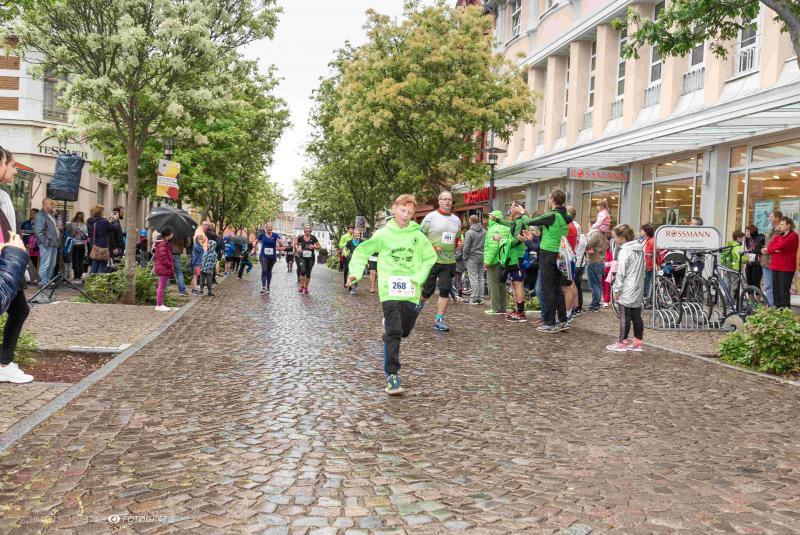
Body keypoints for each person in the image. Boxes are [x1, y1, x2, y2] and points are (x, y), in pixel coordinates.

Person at [347, 194, 437, 395]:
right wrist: (355, 273)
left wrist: (419, 277)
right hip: (389, 289)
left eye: (410, 212)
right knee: (395, 331)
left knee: (405, 330)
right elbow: (362, 251)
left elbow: (430, 257)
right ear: (394, 209)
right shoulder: (383, 234)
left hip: (411, 289)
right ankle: (392, 376)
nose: (406, 215)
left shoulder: (418, 235)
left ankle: (389, 327)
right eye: (403, 210)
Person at [493, 191, 573, 332]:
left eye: (549, 198)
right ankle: (562, 321)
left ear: (553, 200)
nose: (548, 200)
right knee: (556, 289)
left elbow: (529, 221)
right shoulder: (565, 216)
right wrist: (530, 239)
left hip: (548, 254)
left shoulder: (553, 215)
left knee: (548, 289)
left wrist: (523, 212)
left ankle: (549, 323)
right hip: (558, 254)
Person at [0, 147, 33, 383]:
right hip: (6, 265)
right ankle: (4, 363)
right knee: (19, 310)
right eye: (10, 165)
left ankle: (5, 362)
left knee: (20, 309)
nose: (14, 170)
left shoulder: (3, 196)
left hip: (8, 265)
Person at [418, 191, 461, 331]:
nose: (447, 201)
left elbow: (457, 238)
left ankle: (439, 319)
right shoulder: (430, 217)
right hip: (432, 260)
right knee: (428, 291)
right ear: (439, 201)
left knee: (445, 290)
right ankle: (417, 307)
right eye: (445, 199)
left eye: (450, 199)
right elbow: (419, 236)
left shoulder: (457, 220)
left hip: (449, 260)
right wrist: (430, 247)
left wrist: (459, 243)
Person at [606, 224, 645, 352]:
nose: (614, 240)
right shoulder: (639, 249)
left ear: (622, 238)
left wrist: (616, 290)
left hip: (627, 287)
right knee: (637, 315)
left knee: (625, 316)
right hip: (638, 286)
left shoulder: (624, 251)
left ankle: (622, 343)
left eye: (615, 237)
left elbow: (621, 272)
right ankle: (637, 343)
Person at [491, 202, 532, 323]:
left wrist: (501, 239)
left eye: (512, 207)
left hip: (517, 257)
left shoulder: (521, 221)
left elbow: (516, 241)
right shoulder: (517, 221)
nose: (510, 209)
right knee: (515, 284)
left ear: (518, 209)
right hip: (514, 257)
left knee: (518, 284)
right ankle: (517, 310)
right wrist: (497, 219)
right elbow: (509, 224)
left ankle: (520, 313)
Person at [763, 216, 798, 309]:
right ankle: (777, 311)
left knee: (783, 291)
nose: (780, 226)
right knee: (776, 291)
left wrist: (775, 249)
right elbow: (770, 247)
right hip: (775, 266)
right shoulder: (779, 236)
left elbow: (782, 246)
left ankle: (785, 312)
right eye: (780, 224)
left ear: (788, 225)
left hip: (786, 267)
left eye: (782, 224)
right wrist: (774, 250)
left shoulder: (793, 236)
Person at [483, 210, 510, 315]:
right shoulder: (506, 227)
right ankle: (503, 307)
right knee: (502, 284)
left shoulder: (492, 229)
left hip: (494, 261)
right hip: (503, 259)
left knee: (493, 284)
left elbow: (493, 247)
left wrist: (487, 261)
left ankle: (495, 308)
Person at [33, 198, 60, 288]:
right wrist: (46, 242)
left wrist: (56, 216)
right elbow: (38, 231)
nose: (53, 205)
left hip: (53, 243)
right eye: (51, 204)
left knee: (52, 264)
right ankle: (42, 282)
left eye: (53, 204)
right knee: (45, 264)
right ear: (45, 205)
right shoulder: (40, 215)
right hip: (47, 244)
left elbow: (56, 227)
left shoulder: (51, 215)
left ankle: (48, 281)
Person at [760, 210, 783, 306]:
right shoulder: (770, 230)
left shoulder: (782, 231)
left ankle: (774, 308)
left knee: (775, 287)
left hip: (775, 262)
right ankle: (771, 307)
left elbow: (781, 247)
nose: (769, 218)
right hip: (766, 261)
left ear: (777, 218)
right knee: (768, 286)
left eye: (771, 216)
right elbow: (768, 244)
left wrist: (768, 250)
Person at [567, 206, 587, 317]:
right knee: (575, 284)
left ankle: (574, 307)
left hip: (574, 259)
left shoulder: (572, 226)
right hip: (576, 259)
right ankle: (576, 307)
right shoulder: (577, 226)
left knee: (572, 285)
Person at [462, 214, 486, 305]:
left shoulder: (470, 232)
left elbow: (466, 247)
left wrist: (465, 257)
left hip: (472, 257)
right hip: (482, 256)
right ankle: (481, 298)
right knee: (481, 278)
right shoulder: (485, 231)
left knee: (473, 277)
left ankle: (474, 298)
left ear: (470, 221)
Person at [153, 227, 175, 312]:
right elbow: (163, 257)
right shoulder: (163, 243)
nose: (172, 235)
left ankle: (160, 304)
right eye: (172, 233)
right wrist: (169, 264)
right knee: (161, 286)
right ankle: (159, 305)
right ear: (168, 234)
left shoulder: (163, 242)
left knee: (161, 286)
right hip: (163, 267)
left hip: (163, 267)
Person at [257, 224, 283, 294]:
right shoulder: (262, 235)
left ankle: (268, 286)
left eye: (271, 227)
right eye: (268, 227)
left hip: (272, 257)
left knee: (269, 271)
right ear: (266, 228)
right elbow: (257, 240)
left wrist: (280, 242)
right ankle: (263, 287)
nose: (270, 229)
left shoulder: (275, 235)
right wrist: (254, 244)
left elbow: (281, 245)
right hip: (263, 255)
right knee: (264, 270)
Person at [87, 205, 112, 274]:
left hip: (93, 245)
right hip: (102, 246)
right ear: (100, 213)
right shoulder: (103, 222)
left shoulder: (90, 221)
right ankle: (98, 280)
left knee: (94, 265)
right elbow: (113, 228)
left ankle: (91, 279)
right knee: (102, 265)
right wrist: (113, 220)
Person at [296, 224, 320, 294]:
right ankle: (301, 286)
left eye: (309, 228)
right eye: (306, 228)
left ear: (310, 230)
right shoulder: (301, 237)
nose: (307, 229)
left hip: (311, 258)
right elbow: (296, 244)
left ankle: (306, 288)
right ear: (304, 230)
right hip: (302, 257)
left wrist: (313, 247)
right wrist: (298, 249)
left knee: (308, 273)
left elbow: (319, 246)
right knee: (303, 271)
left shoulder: (313, 238)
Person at [743, 224, 764, 289]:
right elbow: (750, 249)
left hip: (757, 263)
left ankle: (757, 296)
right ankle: (750, 296)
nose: (746, 233)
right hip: (749, 262)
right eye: (746, 231)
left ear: (752, 231)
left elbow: (760, 250)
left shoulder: (760, 238)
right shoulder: (747, 239)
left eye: (747, 231)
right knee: (749, 281)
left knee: (756, 282)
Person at [344, 229, 364, 295]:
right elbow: (344, 249)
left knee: (358, 273)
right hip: (351, 259)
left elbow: (365, 249)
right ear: (353, 234)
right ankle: (353, 288)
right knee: (351, 272)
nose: (357, 234)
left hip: (359, 259)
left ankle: (355, 282)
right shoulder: (349, 242)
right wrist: (345, 253)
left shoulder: (362, 241)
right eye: (356, 233)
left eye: (358, 233)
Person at [640, 223, 655, 300]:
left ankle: (648, 300)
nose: (641, 232)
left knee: (647, 284)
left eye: (642, 230)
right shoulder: (644, 240)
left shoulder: (651, 241)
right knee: (646, 283)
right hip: (645, 265)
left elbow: (652, 254)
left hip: (649, 266)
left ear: (646, 231)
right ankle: (647, 299)